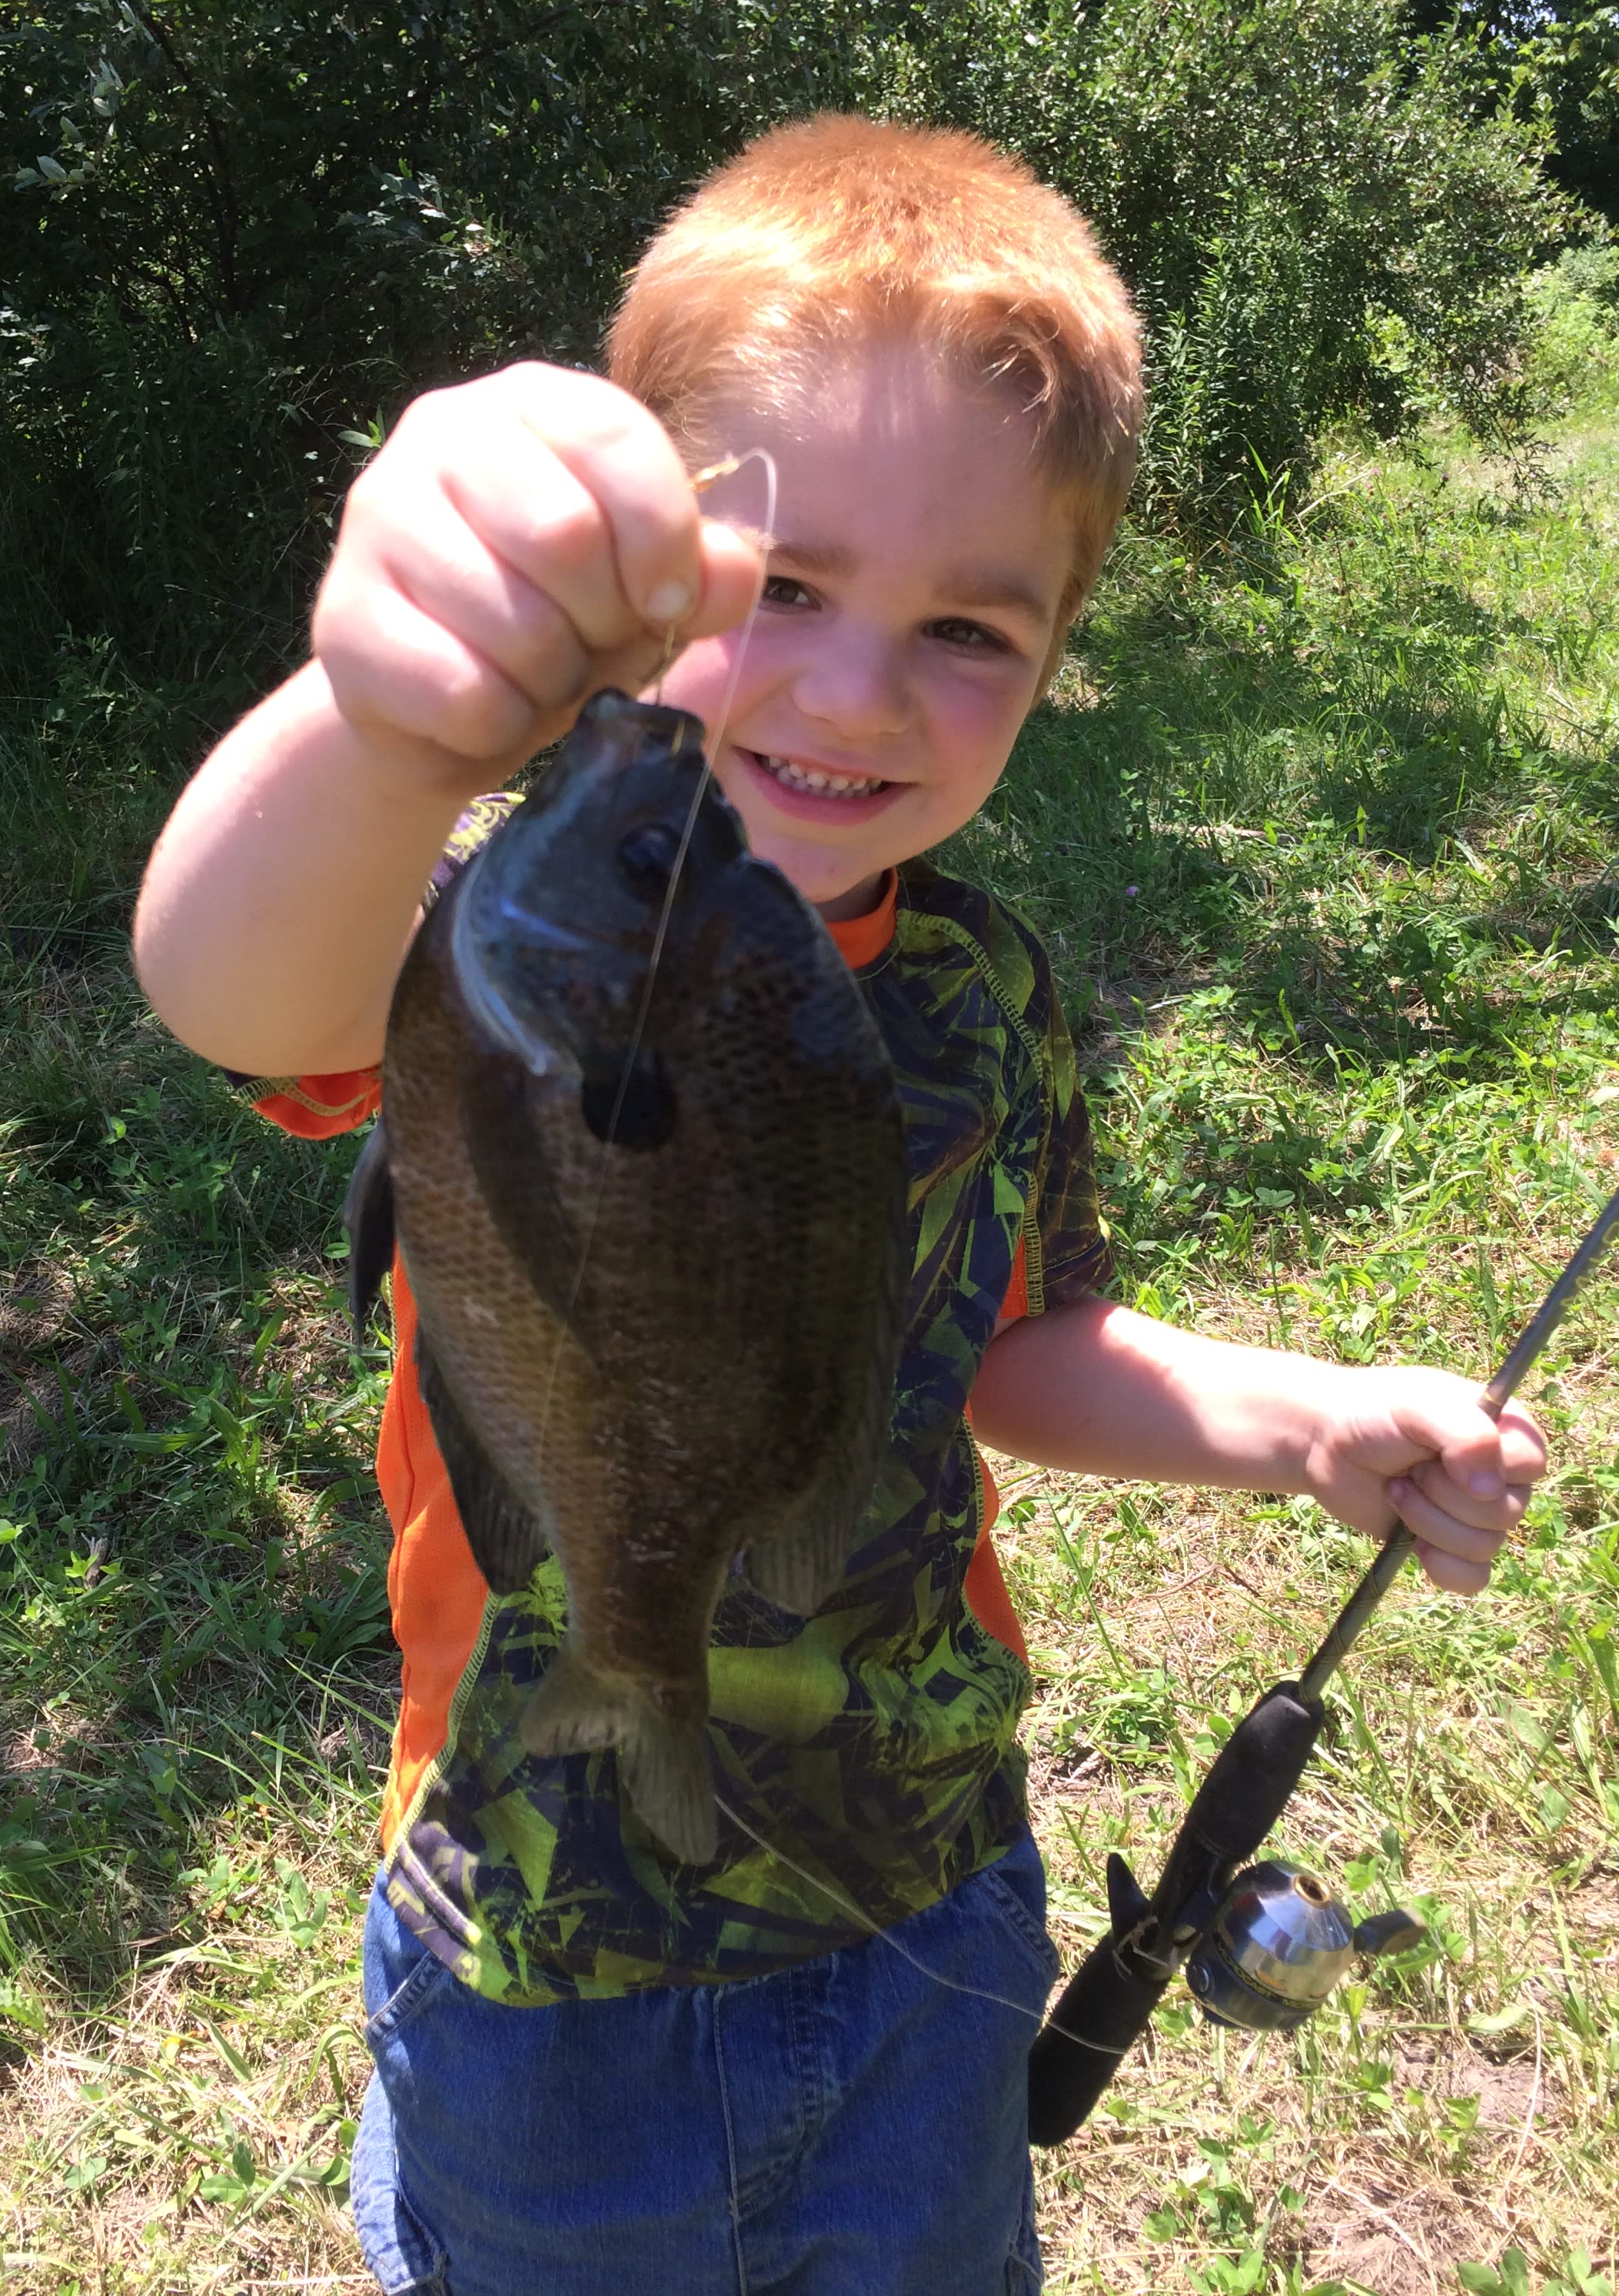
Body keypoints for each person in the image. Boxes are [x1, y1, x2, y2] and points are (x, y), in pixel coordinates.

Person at [133, 118, 1548, 2296]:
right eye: (777, 590)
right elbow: (231, 987)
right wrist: (383, 719)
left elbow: (1015, 1341)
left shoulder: (980, 990)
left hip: (930, 1894)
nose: (858, 690)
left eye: (967, 629)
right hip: (543, 1943)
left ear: (1057, 656)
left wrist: (1306, 1423)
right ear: (635, 581)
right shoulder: (507, 949)